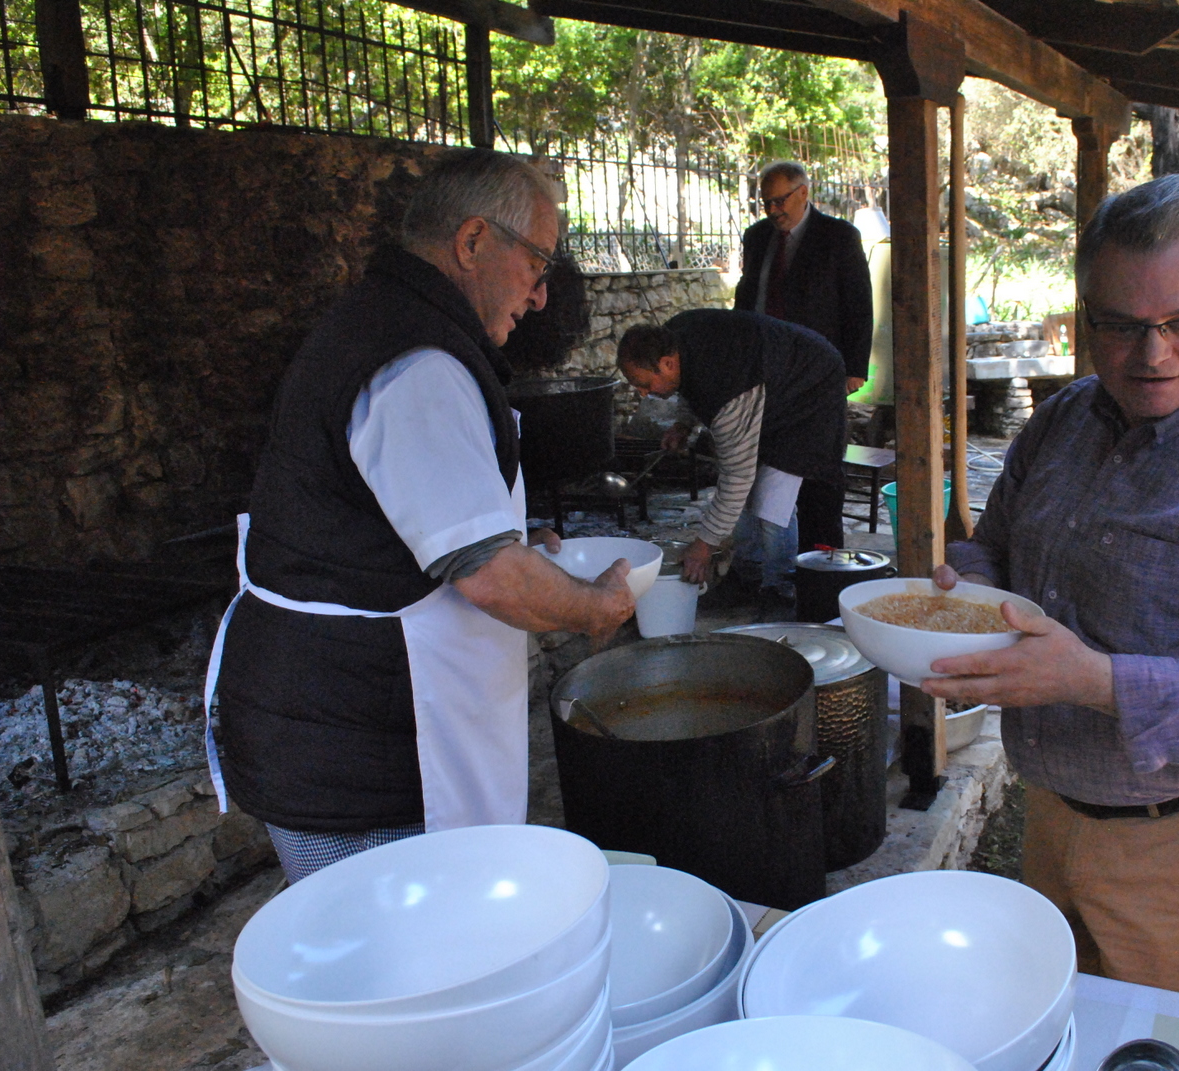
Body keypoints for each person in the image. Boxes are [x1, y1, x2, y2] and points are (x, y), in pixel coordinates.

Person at [924, 174, 1179, 1010]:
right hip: (1056, 817)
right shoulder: (1065, 419)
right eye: (1120, 326)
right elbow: (991, 546)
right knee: (1063, 1039)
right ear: (1086, 313)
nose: (1152, 354)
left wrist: (1092, 678)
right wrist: (970, 597)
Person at [209, 149, 636, 883]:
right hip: (359, 755)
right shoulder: (416, 365)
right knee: (391, 944)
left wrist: (513, 537)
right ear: (472, 242)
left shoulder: (387, 324)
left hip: (345, 731)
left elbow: (399, 522)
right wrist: (594, 607)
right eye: (537, 262)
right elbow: (492, 578)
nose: (540, 295)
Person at [616, 310, 847, 607]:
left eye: (645, 384)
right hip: (771, 374)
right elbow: (688, 386)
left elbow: (737, 477)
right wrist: (684, 424)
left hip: (811, 385)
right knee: (747, 497)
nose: (642, 394)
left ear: (667, 364)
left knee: (771, 500)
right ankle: (747, 575)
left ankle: (780, 586)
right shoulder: (672, 338)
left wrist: (704, 545)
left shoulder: (727, 390)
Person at [734, 161, 874, 552]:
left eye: (780, 201)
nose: (773, 210)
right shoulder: (757, 237)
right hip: (768, 368)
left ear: (803, 193)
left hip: (819, 369)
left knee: (819, 466)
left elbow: (859, 304)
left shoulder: (838, 236)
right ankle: (767, 559)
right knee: (768, 464)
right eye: (766, 203)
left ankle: (823, 557)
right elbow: (747, 297)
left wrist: (854, 368)